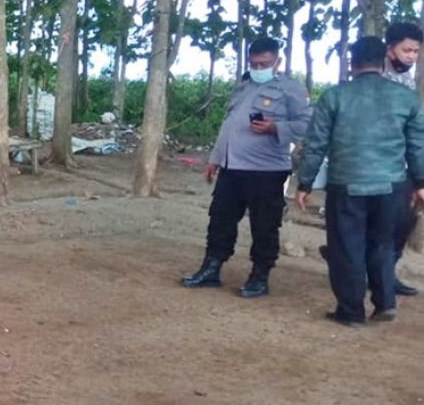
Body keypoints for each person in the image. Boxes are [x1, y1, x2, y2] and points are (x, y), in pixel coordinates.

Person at [295, 37, 424, 326]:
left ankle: (351, 312)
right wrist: (420, 183)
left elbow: (316, 145)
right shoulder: (406, 98)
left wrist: (304, 183)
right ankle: (385, 303)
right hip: (391, 185)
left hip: (347, 184)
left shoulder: (335, 96)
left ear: (352, 63)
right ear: (383, 62)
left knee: (346, 247)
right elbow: (418, 146)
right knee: (383, 244)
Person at [181, 37, 312, 298]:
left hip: (266, 171)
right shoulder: (243, 87)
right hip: (232, 167)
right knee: (220, 219)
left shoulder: (291, 89)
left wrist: (276, 127)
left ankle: (260, 276)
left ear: (277, 61)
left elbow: (308, 124)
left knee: (264, 225)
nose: (258, 68)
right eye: (254, 64)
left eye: (264, 63)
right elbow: (228, 125)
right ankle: (211, 268)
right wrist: (215, 159)